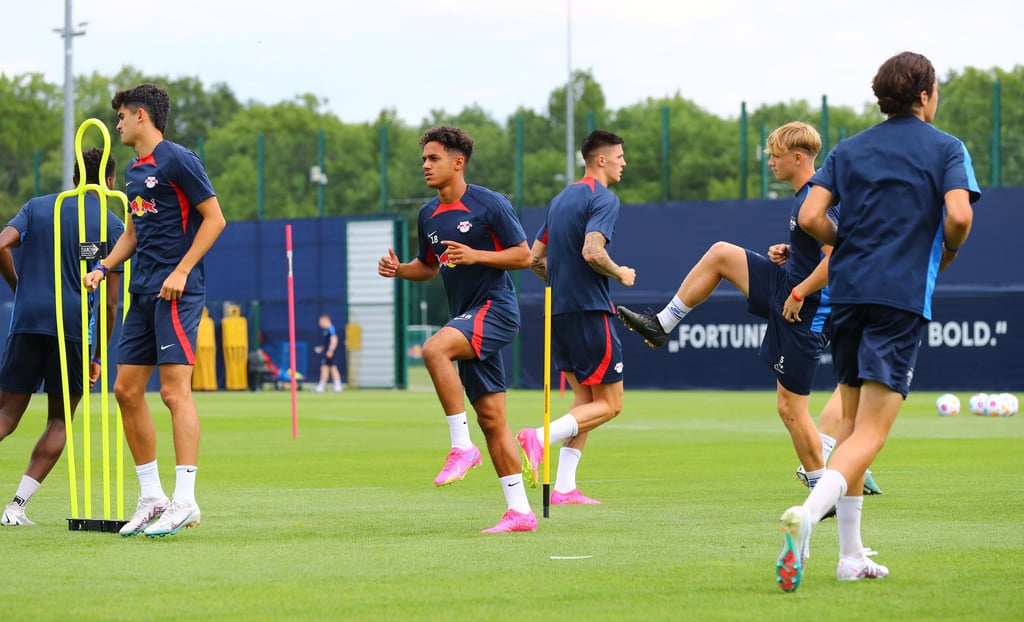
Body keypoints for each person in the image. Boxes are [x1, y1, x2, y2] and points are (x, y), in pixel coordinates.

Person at [776, 51, 978, 592]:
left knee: (849, 417)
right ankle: (808, 514)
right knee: (870, 432)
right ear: (926, 94)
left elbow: (811, 217)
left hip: (847, 296)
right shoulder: (947, 148)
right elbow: (958, 215)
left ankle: (850, 555)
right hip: (899, 297)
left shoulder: (848, 149)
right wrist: (947, 251)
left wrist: (855, 243)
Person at [618, 121, 838, 494]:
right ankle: (662, 324)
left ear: (798, 158)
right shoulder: (804, 195)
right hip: (790, 287)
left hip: (806, 308)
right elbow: (818, 249)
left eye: (775, 156)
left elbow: (839, 257)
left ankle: (823, 491)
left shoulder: (818, 197)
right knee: (721, 253)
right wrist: (791, 252)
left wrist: (799, 291)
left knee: (789, 409)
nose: (770, 162)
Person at [83, 83, 227, 538]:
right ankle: (152, 497)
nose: (118, 123)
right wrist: (104, 267)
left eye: (122, 115)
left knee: (172, 393)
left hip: (178, 294)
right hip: (142, 294)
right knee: (125, 390)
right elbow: (133, 231)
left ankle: (185, 500)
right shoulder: (131, 170)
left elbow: (215, 218)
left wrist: (182, 270)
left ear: (141, 115)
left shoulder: (178, 159)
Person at [377, 125, 536, 533]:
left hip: (496, 309)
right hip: (468, 317)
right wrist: (399, 270)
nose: (426, 166)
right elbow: (428, 266)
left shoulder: (490, 204)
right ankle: (520, 512)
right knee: (491, 419)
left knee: (433, 350)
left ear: (458, 162)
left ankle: (461, 447)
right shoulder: (427, 214)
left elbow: (524, 256)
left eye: (433, 158)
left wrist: (475, 255)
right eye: (424, 159)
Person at [0, 148, 125, 526]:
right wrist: (98, 355)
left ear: (73, 179)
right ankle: (15, 508)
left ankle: (16, 510)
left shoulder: (38, 206)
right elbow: (111, 305)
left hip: (26, 320)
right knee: (60, 421)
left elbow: (1, 243)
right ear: (110, 181)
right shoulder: (113, 223)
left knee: (6, 413)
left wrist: (19, 287)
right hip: (70, 329)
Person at [517, 130, 634, 504]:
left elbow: (534, 258)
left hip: (559, 312)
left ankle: (565, 486)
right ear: (600, 160)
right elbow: (592, 251)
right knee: (612, 404)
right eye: (619, 156)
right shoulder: (604, 199)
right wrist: (620, 272)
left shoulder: (560, 199)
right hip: (589, 310)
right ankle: (538, 437)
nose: (623, 163)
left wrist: (560, 282)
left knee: (585, 398)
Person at [313, 314, 343, 393]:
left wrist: (331, 350)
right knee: (327, 368)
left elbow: (334, 339)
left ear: (326, 321)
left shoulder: (331, 329)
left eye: (321, 321)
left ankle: (326, 386)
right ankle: (327, 385)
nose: (320, 323)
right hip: (327, 352)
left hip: (329, 353)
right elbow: (327, 343)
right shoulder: (326, 330)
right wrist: (321, 348)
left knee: (330, 368)